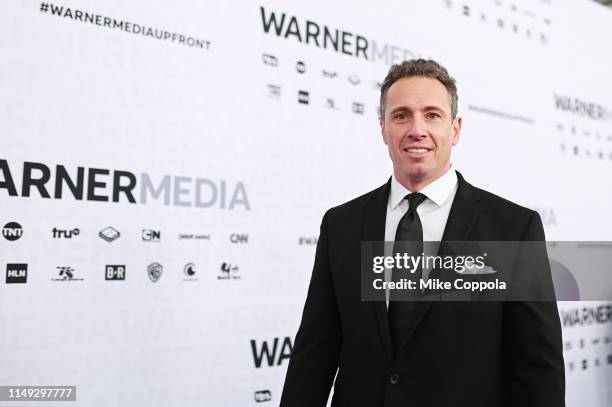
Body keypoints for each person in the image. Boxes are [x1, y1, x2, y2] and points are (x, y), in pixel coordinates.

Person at [279, 59, 564, 407]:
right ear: (383, 129)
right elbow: (315, 353)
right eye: (401, 116)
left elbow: (537, 368)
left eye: (432, 115)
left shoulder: (512, 229)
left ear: (455, 129)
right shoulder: (341, 224)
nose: (417, 129)